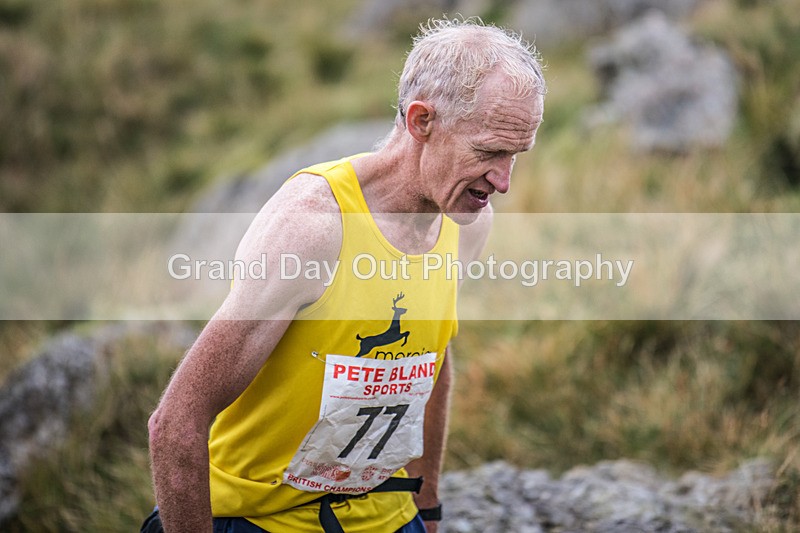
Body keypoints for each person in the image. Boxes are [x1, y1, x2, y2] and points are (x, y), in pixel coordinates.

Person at [147, 16, 545, 533]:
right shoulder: (313, 226)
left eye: (515, 155)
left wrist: (429, 507)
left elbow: (428, 360)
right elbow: (176, 423)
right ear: (422, 121)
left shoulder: (467, 221)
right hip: (257, 520)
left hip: (386, 515)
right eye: (490, 151)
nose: (504, 182)